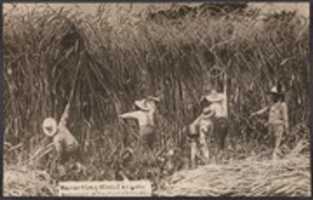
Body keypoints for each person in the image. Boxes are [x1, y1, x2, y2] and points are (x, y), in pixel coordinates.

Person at [42, 103, 85, 178]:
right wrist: (67, 106)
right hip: (76, 144)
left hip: (70, 149)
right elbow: (65, 116)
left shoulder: (56, 139)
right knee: (68, 159)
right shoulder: (61, 125)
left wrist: (57, 160)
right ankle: (78, 166)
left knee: (60, 162)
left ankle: (63, 174)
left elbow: (60, 152)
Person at [250, 85, 289, 160]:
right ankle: (274, 158)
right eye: (272, 95)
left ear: (278, 96)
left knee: (277, 144)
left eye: (274, 95)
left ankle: (276, 159)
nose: (272, 97)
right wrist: (255, 114)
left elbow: (285, 117)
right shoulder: (272, 104)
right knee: (272, 144)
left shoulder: (283, 105)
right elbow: (264, 110)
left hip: (279, 126)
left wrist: (286, 128)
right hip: (271, 126)